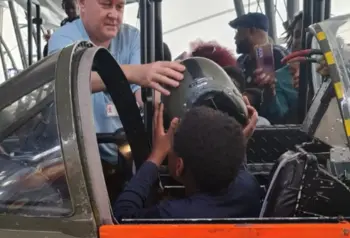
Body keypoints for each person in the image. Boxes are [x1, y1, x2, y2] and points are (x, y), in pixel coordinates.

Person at [48, 0, 185, 165]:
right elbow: (68, 80)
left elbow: (143, 91)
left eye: (119, 7)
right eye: (105, 5)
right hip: (77, 159)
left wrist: (167, 104)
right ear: (82, 3)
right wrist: (133, 73)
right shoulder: (64, 38)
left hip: (125, 151)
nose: (114, 15)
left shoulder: (133, 38)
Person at [113, 103, 261, 219]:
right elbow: (236, 163)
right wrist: (237, 139)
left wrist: (156, 155)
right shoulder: (248, 189)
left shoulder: (170, 214)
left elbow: (122, 216)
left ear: (179, 166)